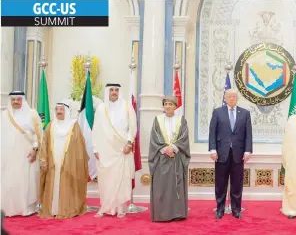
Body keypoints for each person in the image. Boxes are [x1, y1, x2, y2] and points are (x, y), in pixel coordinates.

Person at [92, 83, 137, 218]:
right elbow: (96, 129)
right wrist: (95, 148)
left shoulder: (127, 106)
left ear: (119, 91)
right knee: (105, 179)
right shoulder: (101, 108)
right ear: (107, 92)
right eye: (111, 90)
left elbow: (133, 127)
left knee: (121, 179)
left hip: (121, 148)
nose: (114, 92)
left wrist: (129, 143)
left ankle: (120, 208)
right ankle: (105, 207)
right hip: (105, 149)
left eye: (116, 90)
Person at [38, 101, 90, 219]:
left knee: (67, 184)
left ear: (66, 111)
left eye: (61, 109)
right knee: (53, 184)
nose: (59, 112)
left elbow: (80, 146)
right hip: (53, 162)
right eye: (57, 109)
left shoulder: (73, 125)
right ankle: (52, 209)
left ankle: (67, 209)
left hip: (69, 163)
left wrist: (76, 162)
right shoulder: (50, 126)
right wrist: (43, 160)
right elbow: (44, 143)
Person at [209, 89, 253, 219]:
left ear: (237, 98)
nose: (232, 98)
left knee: (237, 184)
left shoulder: (245, 113)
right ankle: (220, 209)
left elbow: (248, 135)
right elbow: (212, 133)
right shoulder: (218, 112)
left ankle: (236, 209)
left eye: (234, 96)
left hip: (238, 154)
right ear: (225, 98)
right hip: (221, 154)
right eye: (229, 96)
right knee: (220, 184)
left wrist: (247, 151)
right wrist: (212, 150)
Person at [148, 96, 191, 222]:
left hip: (176, 158)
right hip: (161, 158)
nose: (168, 106)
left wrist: (174, 148)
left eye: (170, 104)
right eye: (165, 104)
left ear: (175, 106)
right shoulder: (158, 120)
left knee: (175, 186)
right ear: (163, 106)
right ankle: (161, 214)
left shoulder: (181, 120)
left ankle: (177, 213)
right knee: (162, 187)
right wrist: (165, 149)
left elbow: (184, 137)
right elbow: (154, 138)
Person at [1, 91, 42, 216]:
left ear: (23, 100)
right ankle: (9, 208)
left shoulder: (32, 114)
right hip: (8, 154)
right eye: (13, 100)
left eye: (18, 99)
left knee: (25, 181)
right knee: (9, 180)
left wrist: (35, 149)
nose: (15, 102)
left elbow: (38, 135)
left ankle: (26, 208)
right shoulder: (4, 115)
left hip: (26, 154)